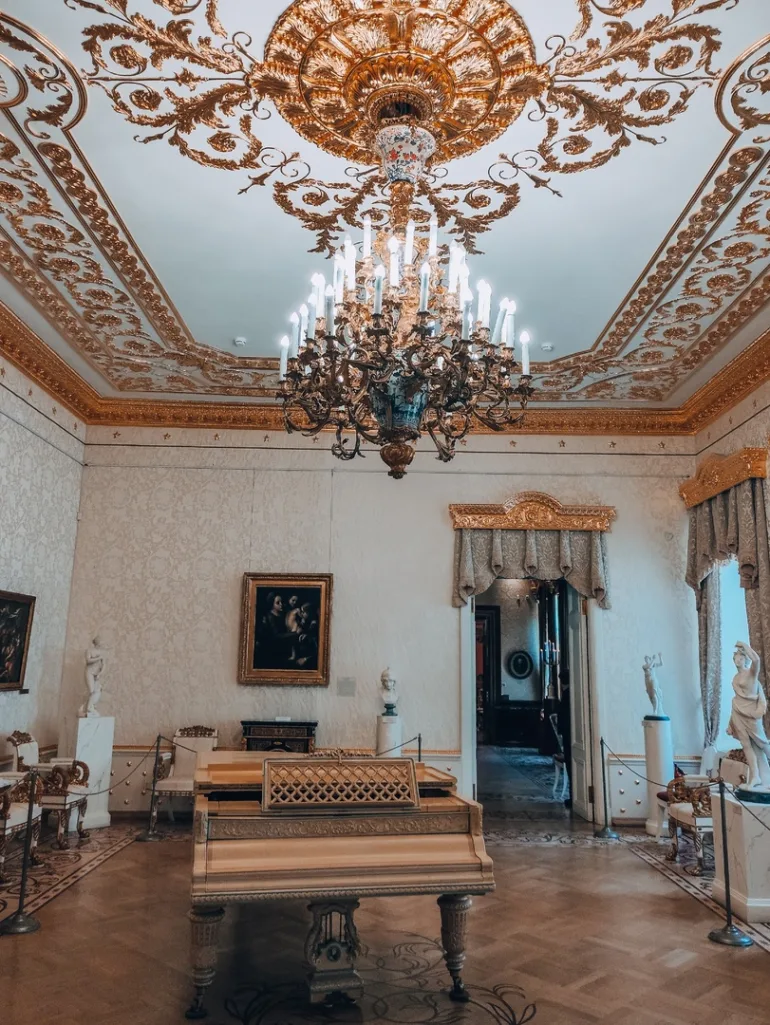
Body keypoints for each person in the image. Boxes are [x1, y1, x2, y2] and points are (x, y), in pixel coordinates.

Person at [729, 641, 770, 789]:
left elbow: (757, 660)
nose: (737, 660)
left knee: (762, 743)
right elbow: (736, 699)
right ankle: (755, 777)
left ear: (746, 659)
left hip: (751, 714)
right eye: (736, 658)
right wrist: (730, 724)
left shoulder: (751, 674)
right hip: (738, 712)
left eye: (741, 658)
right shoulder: (735, 678)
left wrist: (745, 646)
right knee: (746, 745)